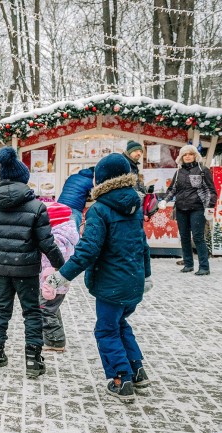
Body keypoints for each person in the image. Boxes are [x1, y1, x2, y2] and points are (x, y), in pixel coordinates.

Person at [45, 153, 152, 404]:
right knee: (120, 324)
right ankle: (137, 370)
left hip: (111, 284)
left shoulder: (100, 210)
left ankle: (121, 379)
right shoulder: (134, 207)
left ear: (101, 179)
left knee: (106, 330)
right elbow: (143, 245)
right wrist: (146, 275)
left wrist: (61, 276)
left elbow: (87, 250)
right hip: (133, 282)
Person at [0, 146, 65, 378]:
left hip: (0, 269)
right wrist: (61, 265)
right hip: (27, 270)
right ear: (23, 179)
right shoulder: (37, 207)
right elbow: (47, 242)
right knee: (32, 313)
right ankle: (33, 360)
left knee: (1, 310)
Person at [158, 144, 217, 275]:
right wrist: (165, 200)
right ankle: (188, 264)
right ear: (181, 157)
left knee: (197, 237)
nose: (188, 156)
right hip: (181, 209)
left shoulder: (203, 170)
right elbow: (172, 189)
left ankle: (204, 267)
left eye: (190, 154)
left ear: (195, 155)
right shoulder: (179, 172)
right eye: (185, 154)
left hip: (197, 208)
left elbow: (211, 190)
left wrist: (210, 206)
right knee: (184, 237)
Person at [38, 201, 79, 352]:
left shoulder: (56, 237)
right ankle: (54, 337)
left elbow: (54, 259)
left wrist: (48, 281)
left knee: (45, 309)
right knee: (52, 309)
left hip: (52, 282)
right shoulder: (66, 233)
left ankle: (55, 341)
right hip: (59, 282)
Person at [57, 167, 94, 232]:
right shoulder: (90, 181)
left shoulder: (72, 176)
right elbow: (93, 195)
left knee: (59, 229)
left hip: (59, 205)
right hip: (74, 208)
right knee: (74, 232)